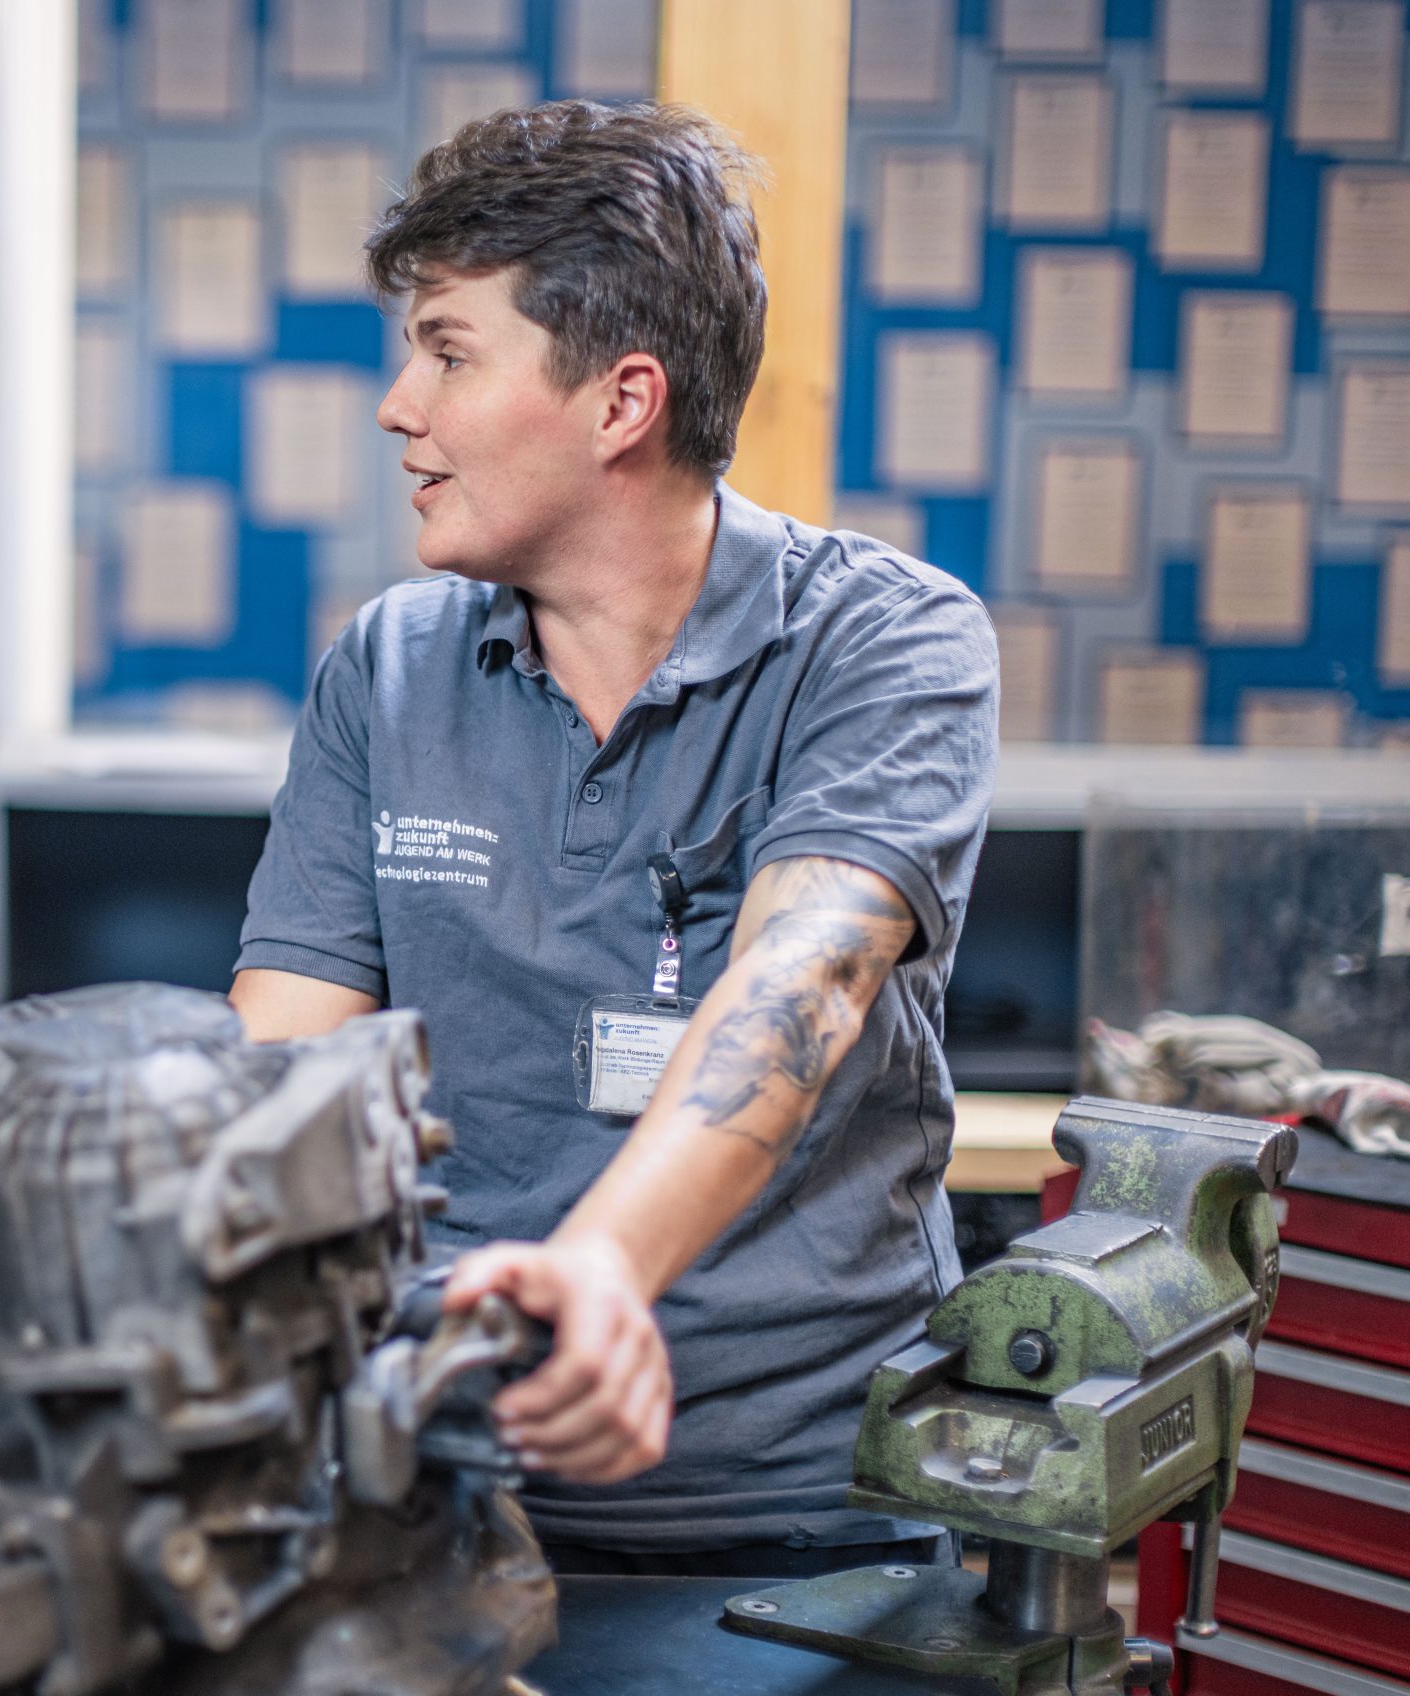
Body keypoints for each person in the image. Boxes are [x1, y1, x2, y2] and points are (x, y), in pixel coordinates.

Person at [230, 101, 998, 1575]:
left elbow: (802, 987)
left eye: (448, 352)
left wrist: (603, 1266)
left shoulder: (886, 641)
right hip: (433, 1503)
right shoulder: (388, 669)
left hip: (798, 1527)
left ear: (620, 403)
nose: (400, 404)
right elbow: (279, 1062)